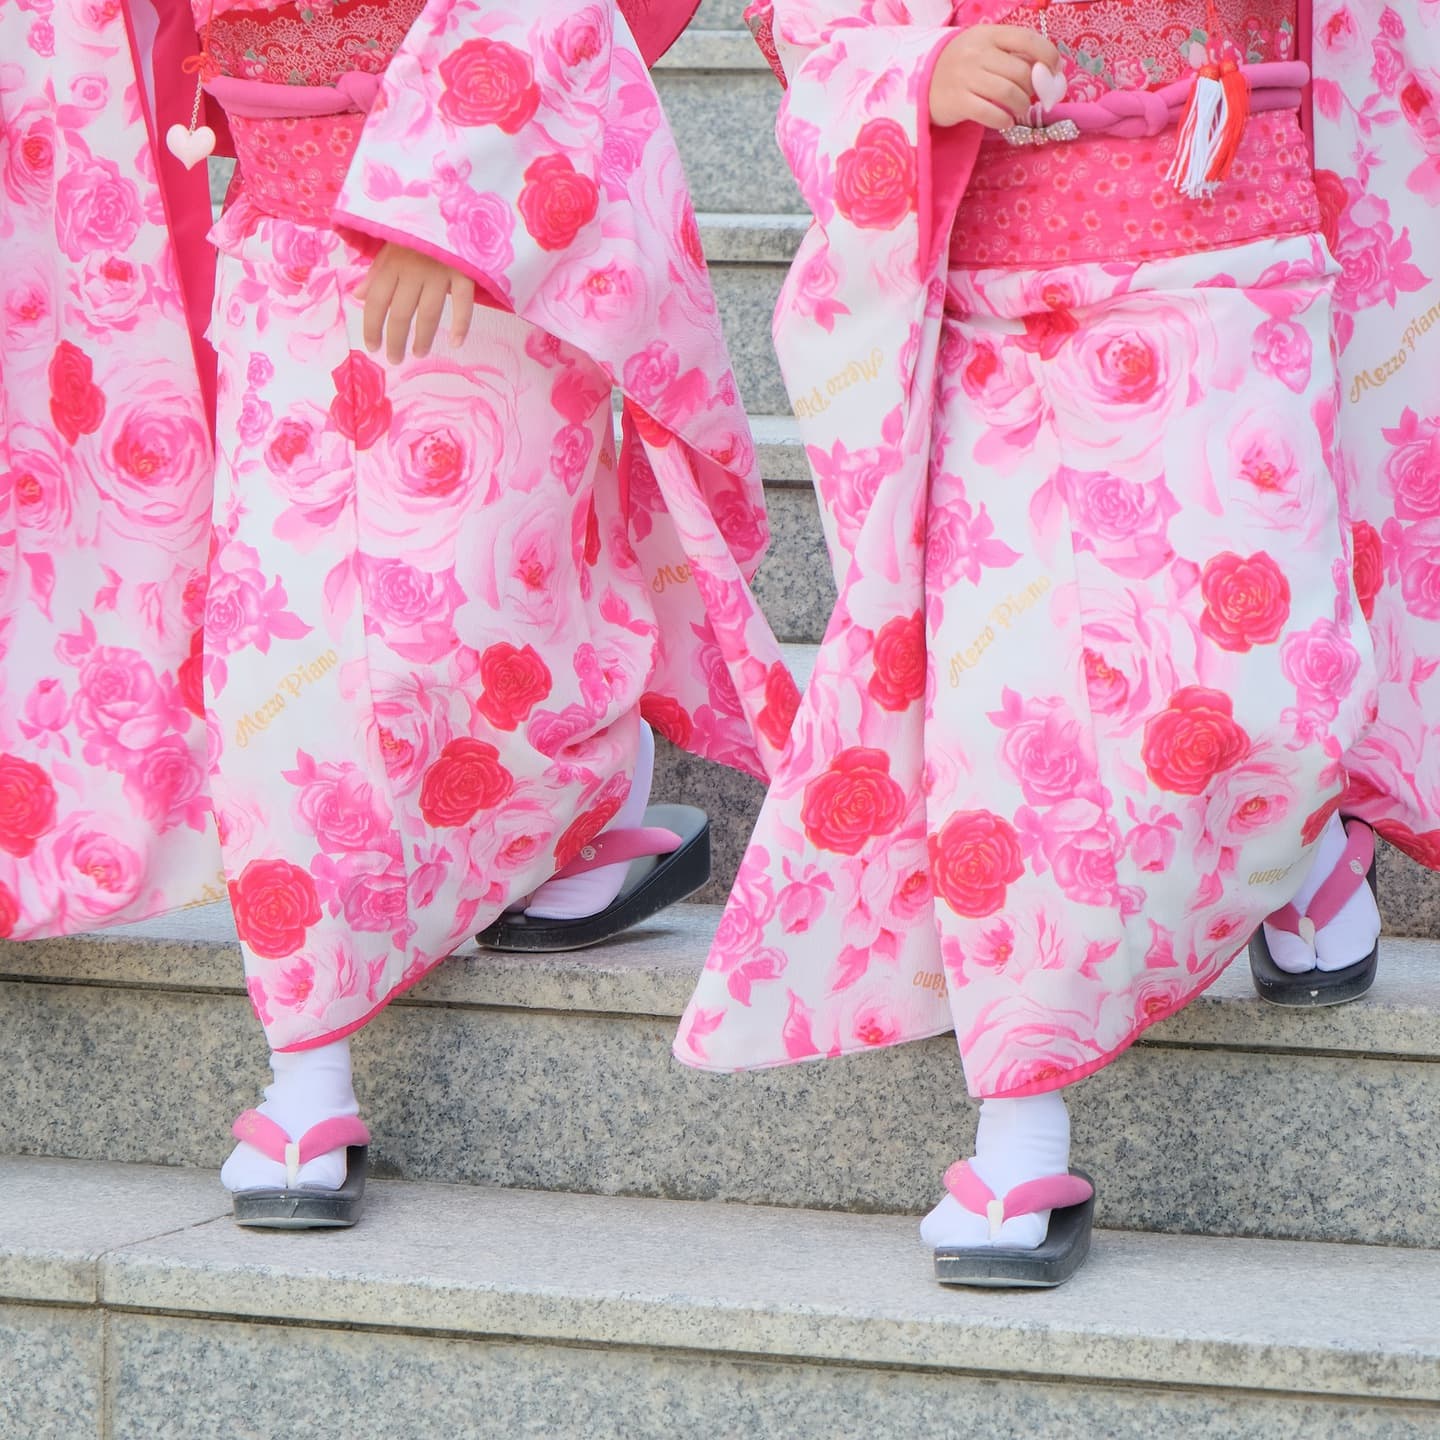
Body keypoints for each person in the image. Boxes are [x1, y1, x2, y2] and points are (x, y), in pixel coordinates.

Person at [676, 0, 1436, 1286]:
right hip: (995, 305)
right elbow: (822, 28)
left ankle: (1305, 838)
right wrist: (915, 74)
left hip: (1231, 258)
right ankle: (1020, 1129)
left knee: (1260, 673)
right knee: (1011, 736)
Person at [2, 0, 798, 1226]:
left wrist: (452, 190)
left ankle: (590, 775)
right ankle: (305, 1074)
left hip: (483, 228)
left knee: (469, 614)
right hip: (277, 245)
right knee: (281, 664)